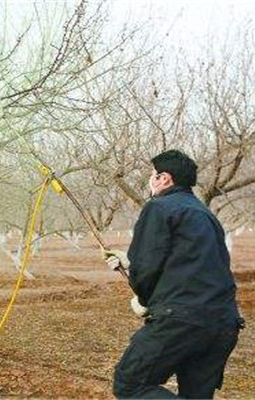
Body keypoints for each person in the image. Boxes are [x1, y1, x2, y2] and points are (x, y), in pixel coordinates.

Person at [104, 149, 244, 399]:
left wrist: (143, 301)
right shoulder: (206, 215)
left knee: (131, 384)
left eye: (152, 175)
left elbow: (146, 269)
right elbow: (193, 262)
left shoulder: (159, 207)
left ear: (164, 178)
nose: (150, 181)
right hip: (223, 324)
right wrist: (129, 262)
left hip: (181, 321)